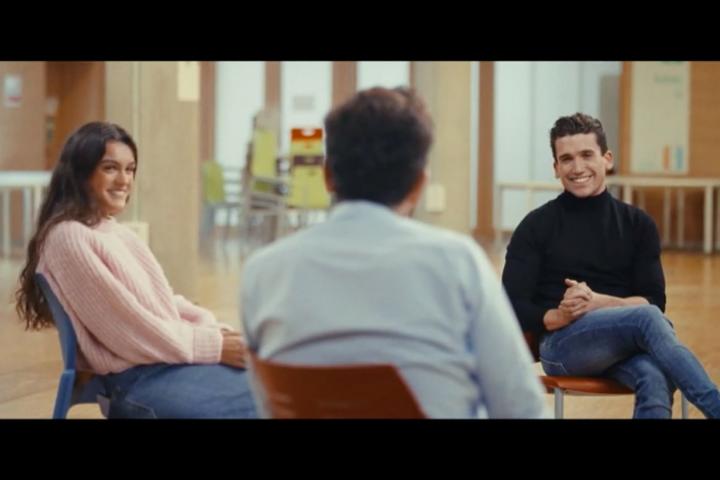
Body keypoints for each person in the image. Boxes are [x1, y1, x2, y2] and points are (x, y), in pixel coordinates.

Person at [241, 87, 548, 418]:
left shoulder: (262, 272)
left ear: (327, 175)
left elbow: (267, 405)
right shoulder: (458, 263)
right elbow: (520, 407)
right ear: (419, 184)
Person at [16, 122, 257, 419]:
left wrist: (215, 331)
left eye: (130, 169)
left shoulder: (115, 232)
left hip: (165, 364)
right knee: (269, 398)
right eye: (110, 168)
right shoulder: (68, 237)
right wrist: (214, 347)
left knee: (277, 382)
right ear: (80, 172)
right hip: (138, 381)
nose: (124, 180)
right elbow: (127, 329)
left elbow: (162, 302)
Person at [501, 112, 720, 418]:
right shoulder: (535, 226)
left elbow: (654, 301)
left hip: (624, 346)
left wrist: (598, 303)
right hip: (562, 346)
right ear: (556, 168)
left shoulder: (639, 224)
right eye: (566, 159)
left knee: (655, 375)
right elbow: (510, 303)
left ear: (607, 159)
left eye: (586, 155)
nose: (577, 168)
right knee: (648, 320)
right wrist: (559, 315)